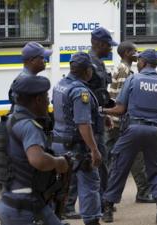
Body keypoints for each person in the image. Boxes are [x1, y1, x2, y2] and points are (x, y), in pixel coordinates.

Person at [101, 49, 157, 224]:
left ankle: (108, 211)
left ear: (143, 62)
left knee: (119, 167)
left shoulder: (133, 79)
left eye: (139, 60)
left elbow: (120, 109)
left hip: (133, 129)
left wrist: (102, 110)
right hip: (155, 131)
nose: (137, 62)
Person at [0, 76, 69, 225]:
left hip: (8, 203)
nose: (48, 101)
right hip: (25, 208)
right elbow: (38, 160)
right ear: (38, 100)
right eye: (46, 96)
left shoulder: (10, 119)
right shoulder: (29, 125)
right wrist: (58, 162)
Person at [63, 26, 118, 220]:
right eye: (108, 46)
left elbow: (99, 97)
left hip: (95, 119)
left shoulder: (96, 64)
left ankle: (100, 201)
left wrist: (104, 114)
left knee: (91, 164)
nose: (110, 49)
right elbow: (87, 97)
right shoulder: (90, 65)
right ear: (99, 44)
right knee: (91, 163)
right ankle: (93, 204)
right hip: (89, 124)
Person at [51, 52, 102, 225]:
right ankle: (92, 220)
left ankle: (55, 219)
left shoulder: (60, 85)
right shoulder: (80, 91)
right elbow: (83, 124)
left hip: (59, 144)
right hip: (77, 147)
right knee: (89, 186)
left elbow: (66, 113)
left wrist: (101, 116)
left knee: (61, 186)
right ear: (87, 70)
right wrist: (94, 150)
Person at [106, 40, 154, 205]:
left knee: (115, 158)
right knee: (136, 157)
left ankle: (107, 193)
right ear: (127, 53)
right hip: (121, 122)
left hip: (115, 121)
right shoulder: (125, 72)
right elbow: (121, 100)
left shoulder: (121, 69)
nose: (138, 54)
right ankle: (143, 192)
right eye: (135, 51)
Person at [8, 42, 52, 111]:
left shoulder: (22, 80)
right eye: (42, 57)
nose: (45, 61)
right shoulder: (28, 83)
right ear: (32, 60)